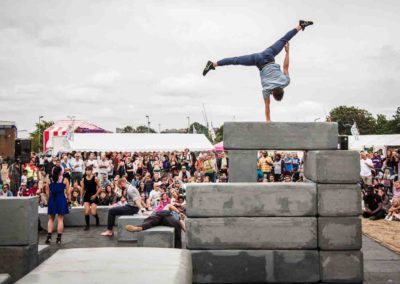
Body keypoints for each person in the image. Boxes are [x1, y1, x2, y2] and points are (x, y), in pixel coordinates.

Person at [202, 20, 314, 122]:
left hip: (269, 54)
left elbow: (285, 67)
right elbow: (267, 106)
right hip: (258, 60)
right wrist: (268, 120)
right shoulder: (267, 90)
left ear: (282, 90)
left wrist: (287, 52)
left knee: (284, 39)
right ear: (273, 95)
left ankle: (300, 26)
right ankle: (213, 64)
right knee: (236, 60)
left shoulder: (285, 82)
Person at [45, 165, 70, 244]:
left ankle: (49, 237)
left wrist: (48, 200)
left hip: (52, 199)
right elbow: (68, 192)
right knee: (60, 220)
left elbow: (47, 192)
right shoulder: (65, 180)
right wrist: (69, 201)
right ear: (61, 172)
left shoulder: (49, 180)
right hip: (61, 199)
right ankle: (58, 238)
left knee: (51, 219)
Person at [80, 166, 101, 230]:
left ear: (91, 171)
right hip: (87, 196)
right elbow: (82, 188)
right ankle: (87, 226)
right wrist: (81, 198)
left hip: (93, 196)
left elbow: (100, 187)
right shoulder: (83, 179)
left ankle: (97, 218)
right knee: (86, 212)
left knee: (93, 212)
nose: (87, 171)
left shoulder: (95, 178)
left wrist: (95, 195)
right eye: (86, 170)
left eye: (88, 170)